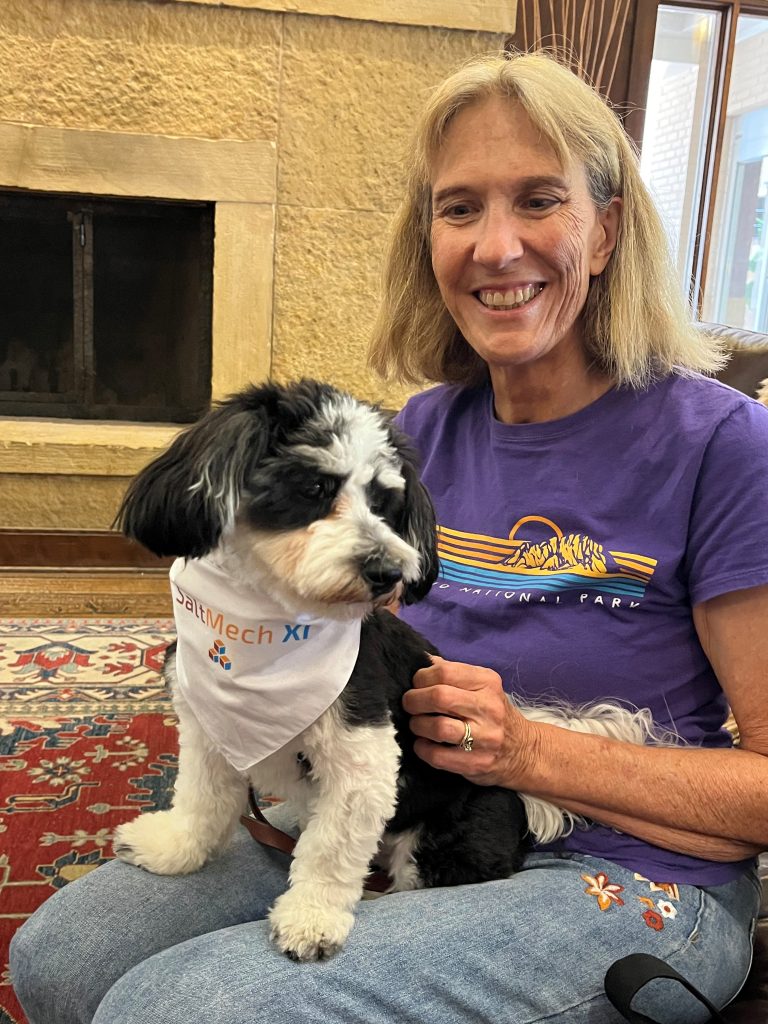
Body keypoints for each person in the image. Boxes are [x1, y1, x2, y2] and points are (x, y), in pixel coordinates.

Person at [10, 50, 768, 1024]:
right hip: (397, 808)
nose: (497, 246)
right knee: (60, 963)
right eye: (460, 208)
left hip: (632, 871)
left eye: (540, 200)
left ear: (607, 230)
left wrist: (526, 753)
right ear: (429, 239)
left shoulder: (724, 446)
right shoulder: (419, 432)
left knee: (180, 1010)